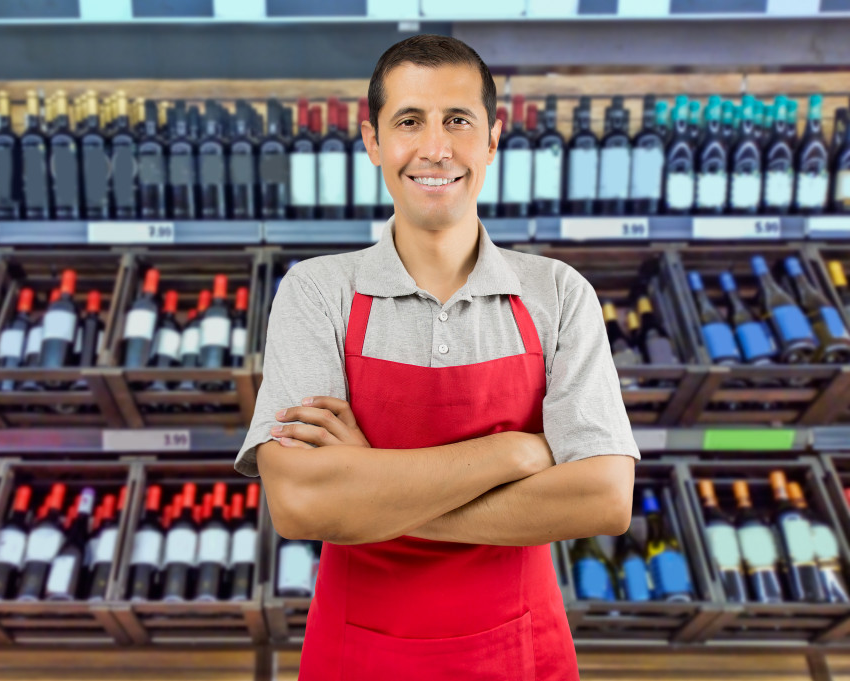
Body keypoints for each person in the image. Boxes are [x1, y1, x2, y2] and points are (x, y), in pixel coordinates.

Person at [234, 34, 639, 680]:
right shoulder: (318, 293)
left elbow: (603, 497)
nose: (434, 148)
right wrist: (516, 454)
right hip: (358, 655)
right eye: (409, 122)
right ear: (372, 142)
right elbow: (301, 502)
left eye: (457, 121)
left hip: (521, 653)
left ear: (492, 139)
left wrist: (369, 485)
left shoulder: (558, 295)